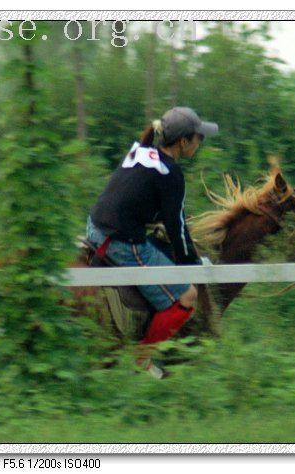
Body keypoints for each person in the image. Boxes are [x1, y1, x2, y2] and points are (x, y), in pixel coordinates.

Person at [86, 106, 218, 378]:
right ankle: (141, 361)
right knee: (187, 295)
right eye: (198, 138)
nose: (200, 143)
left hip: (94, 227)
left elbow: (132, 194)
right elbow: (177, 227)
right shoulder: (172, 174)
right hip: (120, 241)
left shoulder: (139, 150)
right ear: (184, 142)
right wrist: (193, 266)